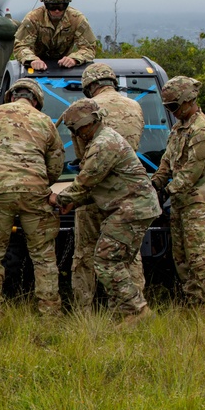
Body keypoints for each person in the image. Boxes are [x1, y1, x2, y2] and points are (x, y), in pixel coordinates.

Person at [51, 99, 158, 324]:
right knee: (118, 262)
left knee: (105, 260)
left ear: (90, 123)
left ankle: (137, 311)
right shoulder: (103, 139)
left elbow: (85, 182)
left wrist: (57, 198)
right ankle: (123, 315)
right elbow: (99, 186)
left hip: (131, 208)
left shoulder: (103, 144)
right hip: (133, 206)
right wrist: (75, 202)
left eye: (77, 130)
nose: (77, 135)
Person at [0, 78, 64, 317]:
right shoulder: (45, 122)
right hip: (35, 194)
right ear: (36, 101)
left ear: (11, 96)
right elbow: (56, 165)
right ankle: (50, 314)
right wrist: (40, 183)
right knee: (43, 257)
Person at [70, 63, 147, 309]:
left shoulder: (86, 109)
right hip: (127, 192)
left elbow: (83, 156)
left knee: (85, 251)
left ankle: (84, 307)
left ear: (89, 87)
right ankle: (133, 305)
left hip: (94, 192)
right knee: (128, 253)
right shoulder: (135, 106)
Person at [150, 76, 205, 313]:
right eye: (168, 108)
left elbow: (192, 171)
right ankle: (194, 303)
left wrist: (166, 191)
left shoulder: (201, 129)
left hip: (196, 201)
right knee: (181, 257)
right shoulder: (179, 128)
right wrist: (155, 183)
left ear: (188, 101)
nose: (172, 112)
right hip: (179, 201)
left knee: (199, 257)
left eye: (174, 107)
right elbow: (167, 161)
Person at [14, 0, 96, 71]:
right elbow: (20, 46)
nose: (57, 10)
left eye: (61, 6)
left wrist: (74, 59)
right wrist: (32, 60)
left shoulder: (76, 19)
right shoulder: (33, 18)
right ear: (45, 4)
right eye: (52, 6)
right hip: (36, 69)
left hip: (66, 68)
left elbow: (89, 47)